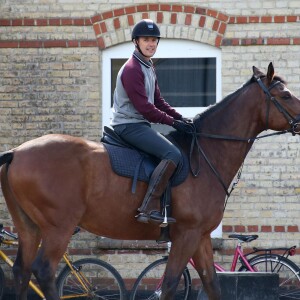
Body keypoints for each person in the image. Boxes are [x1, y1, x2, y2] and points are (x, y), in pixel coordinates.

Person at [111, 19, 192, 226]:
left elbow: (158, 101)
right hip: (128, 126)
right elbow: (145, 109)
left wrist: (180, 118)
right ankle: (148, 207)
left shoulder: (148, 66)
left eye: (154, 40)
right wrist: (173, 124)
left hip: (139, 124)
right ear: (136, 42)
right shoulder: (132, 69)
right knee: (172, 153)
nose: (151, 44)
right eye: (146, 40)